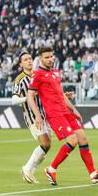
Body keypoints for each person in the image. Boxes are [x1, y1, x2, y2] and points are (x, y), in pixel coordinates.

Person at [27, 46, 98, 185]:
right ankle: (51, 169)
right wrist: (37, 116)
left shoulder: (55, 72)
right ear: (40, 58)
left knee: (82, 138)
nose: (50, 59)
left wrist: (73, 109)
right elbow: (30, 96)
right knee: (72, 140)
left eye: (51, 56)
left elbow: (60, 94)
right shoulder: (37, 74)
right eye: (46, 57)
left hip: (65, 112)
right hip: (54, 114)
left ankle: (93, 173)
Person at [11, 51, 74, 184]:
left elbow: (50, 91)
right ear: (21, 64)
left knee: (47, 145)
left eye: (30, 58)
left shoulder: (38, 74)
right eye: (25, 60)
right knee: (45, 143)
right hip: (33, 116)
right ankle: (27, 168)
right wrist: (29, 97)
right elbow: (13, 100)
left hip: (46, 114)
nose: (28, 61)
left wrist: (64, 96)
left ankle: (30, 171)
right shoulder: (20, 80)